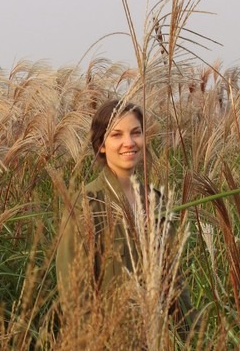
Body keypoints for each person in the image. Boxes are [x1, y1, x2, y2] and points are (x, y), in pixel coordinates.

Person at [55, 99, 193, 333]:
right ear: (101, 144)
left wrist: (192, 338)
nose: (129, 142)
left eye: (135, 133)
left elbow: (175, 284)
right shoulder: (85, 204)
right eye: (117, 135)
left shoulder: (156, 201)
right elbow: (74, 295)